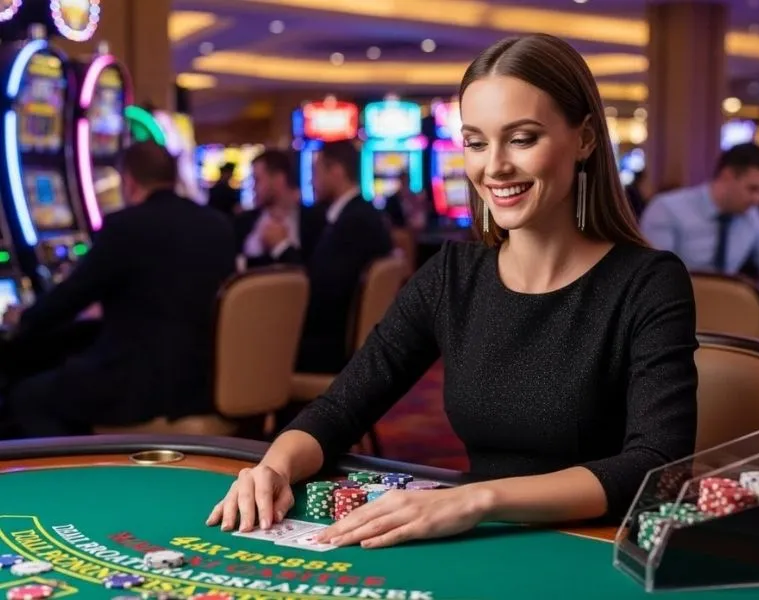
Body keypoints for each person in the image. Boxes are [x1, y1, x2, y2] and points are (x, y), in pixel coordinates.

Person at [207, 34, 698, 548]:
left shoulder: (648, 282)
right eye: (476, 142)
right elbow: (340, 409)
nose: (494, 167)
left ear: (586, 139)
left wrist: (480, 498)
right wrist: (274, 467)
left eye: (523, 138)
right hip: (477, 543)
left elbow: (656, 466)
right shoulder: (453, 276)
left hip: (593, 549)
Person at [2, 141, 237, 438]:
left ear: (128, 180)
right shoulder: (217, 224)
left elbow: (71, 297)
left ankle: (81, 478)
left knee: (27, 396)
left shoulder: (124, 227)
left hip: (142, 388)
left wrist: (22, 319)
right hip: (202, 382)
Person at [640, 143, 759, 289]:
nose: (758, 200)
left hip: (726, 312)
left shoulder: (752, 218)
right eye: (752, 189)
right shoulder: (666, 209)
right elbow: (656, 280)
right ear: (727, 176)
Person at [294, 140, 394, 373]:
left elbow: (319, 291)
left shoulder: (354, 223)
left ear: (336, 171)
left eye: (315, 172)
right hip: (353, 341)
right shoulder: (364, 213)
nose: (311, 180)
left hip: (333, 347)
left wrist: (283, 249)